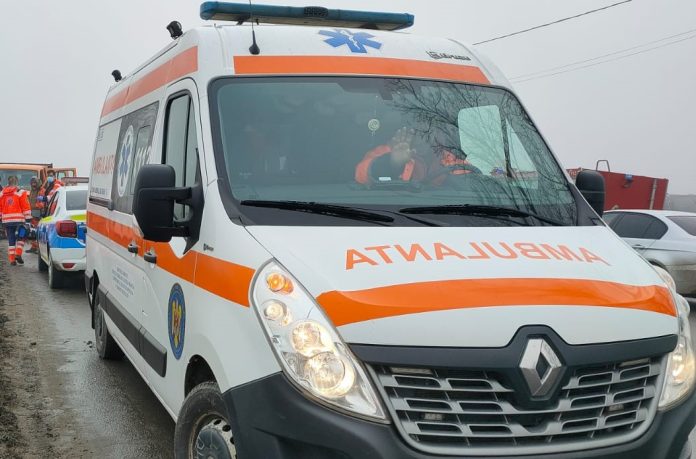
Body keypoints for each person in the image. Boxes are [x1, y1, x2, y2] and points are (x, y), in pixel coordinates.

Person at [355, 127, 427, 184]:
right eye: (418, 132)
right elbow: (361, 175)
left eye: (428, 132)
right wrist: (392, 163)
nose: (423, 138)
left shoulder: (432, 154)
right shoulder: (381, 151)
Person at [0, 176, 32, 266]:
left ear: (8, 182)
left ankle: (12, 260)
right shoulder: (20, 192)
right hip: (19, 220)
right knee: (22, 236)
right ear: (17, 182)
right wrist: (28, 219)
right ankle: (18, 253)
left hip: (6, 221)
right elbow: (25, 206)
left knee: (11, 239)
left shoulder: (2, 193)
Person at [26, 177, 41, 253]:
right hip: (32, 212)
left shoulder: (40, 190)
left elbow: (41, 202)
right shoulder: (32, 190)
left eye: (35, 183)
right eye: (32, 183)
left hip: (37, 212)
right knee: (32, 230)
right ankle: (34, 247)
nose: (33, 184)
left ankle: (38, 247)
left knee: (37, 230)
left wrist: (36, 207)